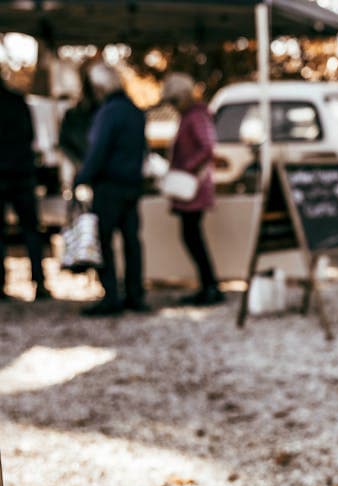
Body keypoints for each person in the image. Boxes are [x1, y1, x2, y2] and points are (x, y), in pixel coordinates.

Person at [74, 63, 149, 317]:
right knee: (132, 242)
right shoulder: (135, 112)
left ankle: (111, 297)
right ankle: (134, 294)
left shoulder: (109, 113)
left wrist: (82, 177)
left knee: (104, 242)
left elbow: (98, 152)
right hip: (132, 185)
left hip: (109, 186)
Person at [160, 73, 224, 306]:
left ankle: (210, 285)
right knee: (192, 236)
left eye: (174, 102)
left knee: (192, 236)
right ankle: (208, 285)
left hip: (193, 188)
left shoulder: (196, 116)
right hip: (191, 186)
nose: (172, 107)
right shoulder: (192, 116)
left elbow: (207, 147)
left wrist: (185, 168)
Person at [0, 75, 50, 301]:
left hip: (7, 174)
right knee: (31, 230)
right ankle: (40, 282)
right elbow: (30, 135)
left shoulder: (17, 101)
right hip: (22, 173)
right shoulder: (18, 102)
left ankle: (1, 285)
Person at [59, 66, 99, 169]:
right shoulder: (72, 115)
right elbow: (64, 142)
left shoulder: (103, 113)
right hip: (83, 168)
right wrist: (79, 163)